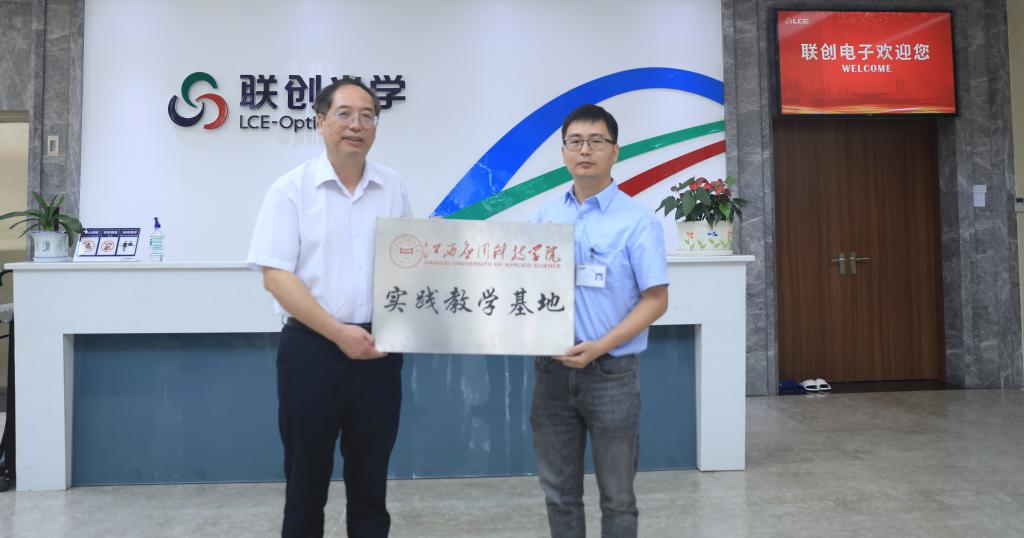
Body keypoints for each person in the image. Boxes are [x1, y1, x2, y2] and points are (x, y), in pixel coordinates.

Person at [246, 78, 412, 538]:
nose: (356, 125)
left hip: (379, 349)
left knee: (371, 485)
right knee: (306, 484)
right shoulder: (290, 190)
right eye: (344, 114)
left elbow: (406, 263)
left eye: (367, 116)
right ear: (320, 122)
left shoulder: (393, 187)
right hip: (311, 352)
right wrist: (339, 333)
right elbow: (276, 276)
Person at [530, 104, 669, 537]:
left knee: (618, 498)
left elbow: (656, 300)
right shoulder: (544, 217)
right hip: (551, 373)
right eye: (575, 142)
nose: (584, 150)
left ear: (615, 151)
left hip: (611, 375)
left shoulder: (638, 222)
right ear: (563, 152)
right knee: (558, 493)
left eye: (595, 141)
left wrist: (600, 347)